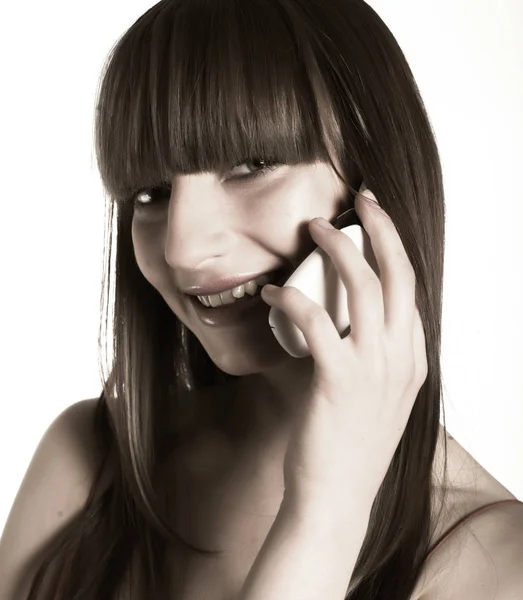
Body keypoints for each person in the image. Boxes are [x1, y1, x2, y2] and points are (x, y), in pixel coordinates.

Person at [1, 0, 522, 598]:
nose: (182, 249)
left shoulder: (494, 563)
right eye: (151, 192)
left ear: (372, 183)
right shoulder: (92, 460)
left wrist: (327, 509)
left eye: (254, 163)